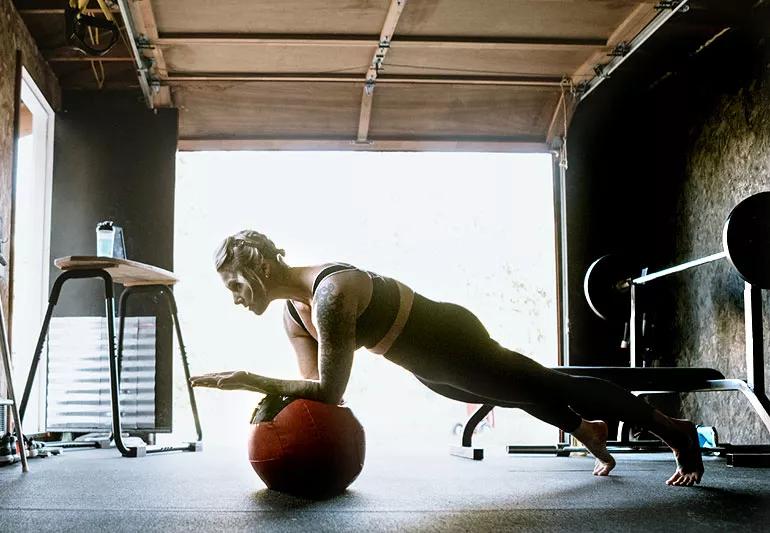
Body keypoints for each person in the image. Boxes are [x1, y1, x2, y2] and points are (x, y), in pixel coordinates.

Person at [190, 230, 704, 486]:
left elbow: (329, 390)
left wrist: (249, 380)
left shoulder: (330, 293)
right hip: (423, 364)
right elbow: (315, 393)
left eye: (234, 283)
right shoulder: (293, 316)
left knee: (544, 383)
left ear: (257, 265)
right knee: (518, 390)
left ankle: (672, 429)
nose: (235, 296)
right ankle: (585, 430)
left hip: (449, 338)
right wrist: (272, 391)